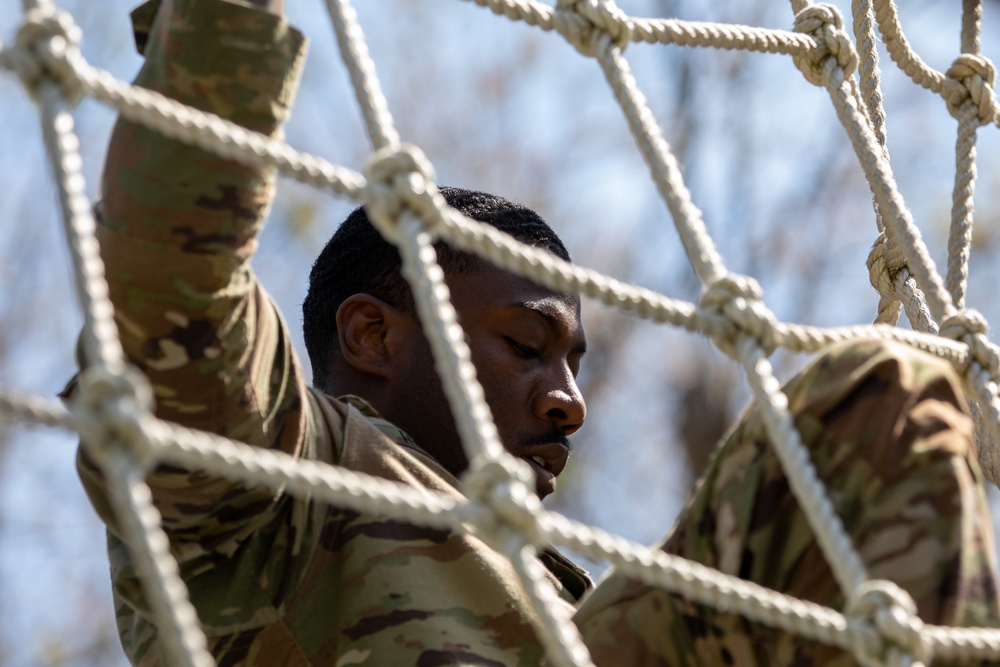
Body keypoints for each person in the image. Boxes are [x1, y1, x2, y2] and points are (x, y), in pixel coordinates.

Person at [74, 0, 1000, 665]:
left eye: (573, 363)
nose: (570, 402)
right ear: (373, 335)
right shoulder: (280, 486)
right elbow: (168, 292)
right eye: (525, 344)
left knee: (886, 390)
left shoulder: (559, 598)